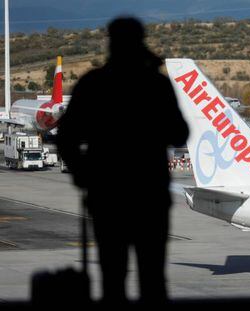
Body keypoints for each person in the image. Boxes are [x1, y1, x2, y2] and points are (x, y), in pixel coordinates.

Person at [56, 17, 189, 303]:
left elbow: (65, 137)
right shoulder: (156, 85)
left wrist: (83, 174)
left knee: (112, 277)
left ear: (111, 42)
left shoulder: (93, 84)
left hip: (107, 197)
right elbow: (180, 135)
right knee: (153, 279)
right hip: (149, 197)